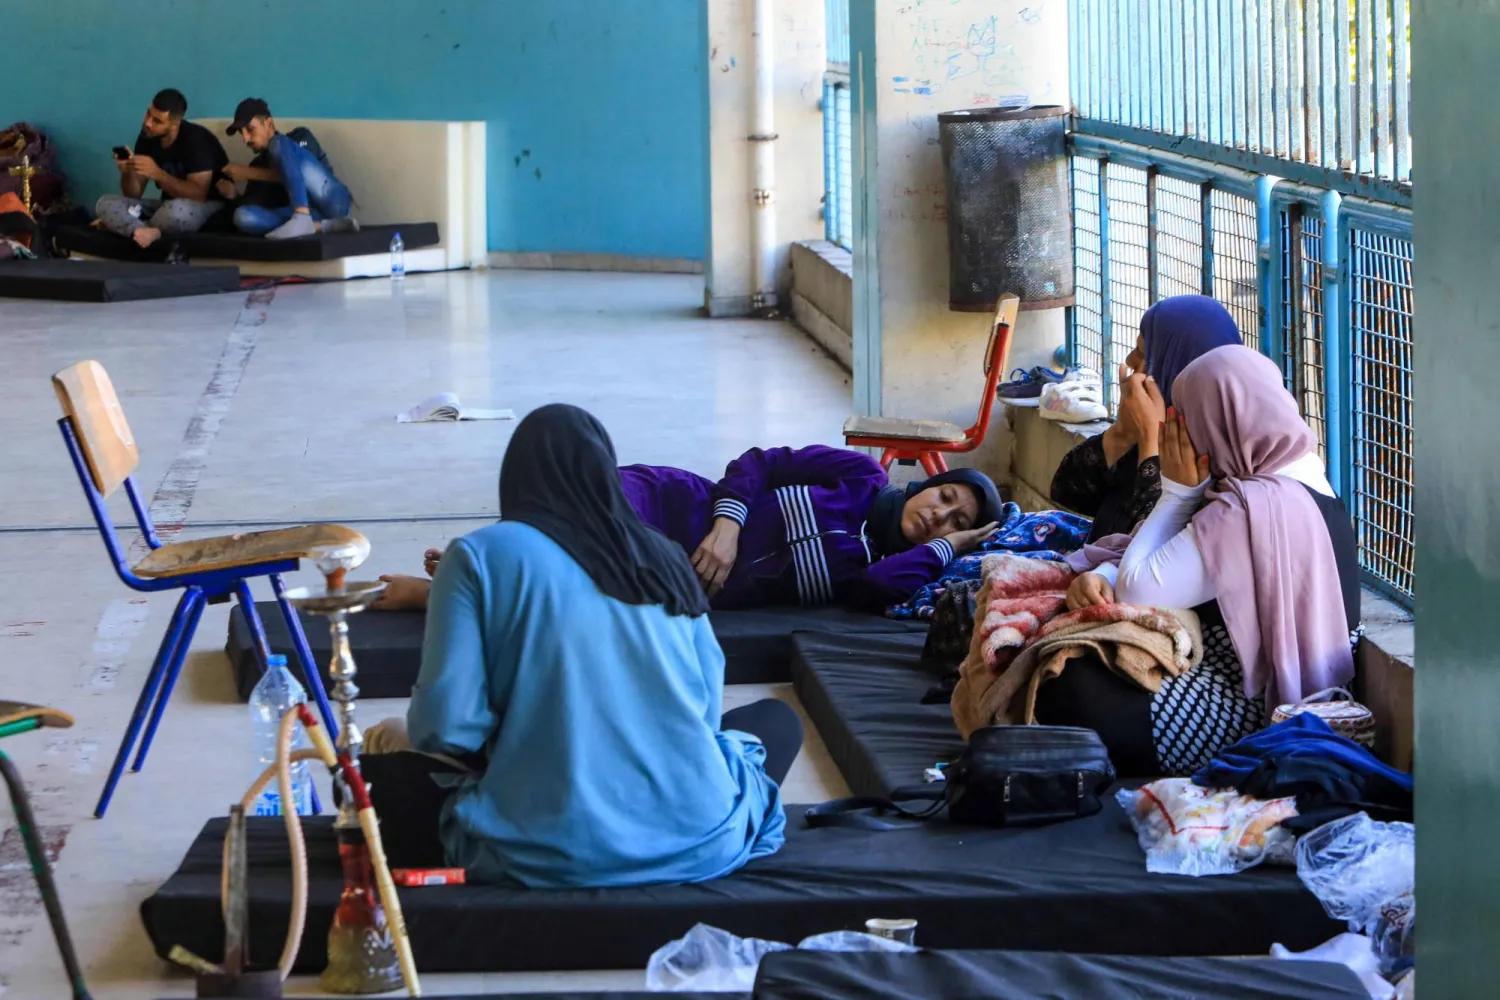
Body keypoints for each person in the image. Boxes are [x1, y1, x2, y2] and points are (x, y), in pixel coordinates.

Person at [358, 404, 795, 887]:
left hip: (543, 849)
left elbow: (444, 729)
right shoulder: (664, 555)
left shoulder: (478, 555)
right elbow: (706, 715)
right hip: (700, 839)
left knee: (377, 750)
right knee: (774, 723)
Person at [1033, 346, 1360, 776]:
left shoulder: (1250, 507)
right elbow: (1149, 559)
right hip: (1271, 685)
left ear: (1216, 422)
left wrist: (1177, 493)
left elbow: (1137, 587)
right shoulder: (1298, 473)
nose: (1177, 434)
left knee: (1064, 680)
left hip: (1252, 709)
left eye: (1185, 421)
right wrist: (1106, 568)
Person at [374, 442, 1007, 613]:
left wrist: (953, 548)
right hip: (682, 506)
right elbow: (762, 463)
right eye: (946, 497)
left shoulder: (878, 571)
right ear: (928, 482)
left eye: (954, 522)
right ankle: (490, 555)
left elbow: (873, 592)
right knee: (591, 501)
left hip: (676, 580)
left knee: (593, 579)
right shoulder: (861, 478)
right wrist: (728, 525)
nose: (938, 515)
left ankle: (452, 586)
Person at [1051, 295, 1242, 610]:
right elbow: (1066, 491)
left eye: (1143, 353)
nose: (1131, 361)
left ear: (1176, 364)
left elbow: (1144, 552)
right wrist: (1122, 434)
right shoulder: (1158, 418)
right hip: (1095, 585)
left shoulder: (1219, 458)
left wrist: (1152, 444)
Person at [94, 88, 228, 249]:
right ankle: (144, 231)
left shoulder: (196, 140)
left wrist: (158, 174)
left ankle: (133, 229)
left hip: (205, 206)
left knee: (176, 211)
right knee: (105, 203)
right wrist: (128, 171)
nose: (148, 123)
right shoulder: (147, 136)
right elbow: (133, 194)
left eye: (157, 121)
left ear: (174, 124)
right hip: (165, 207)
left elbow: (198, 195)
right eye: (148, 114)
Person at [217, 98, 357, 239]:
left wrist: (249, 173)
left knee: (277, 144)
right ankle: (321, 226)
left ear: (268, 123)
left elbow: (299, 175)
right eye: (242, 133)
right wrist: (234, 196)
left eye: (250, 129)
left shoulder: (299, 137)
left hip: (332, 203)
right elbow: (257, 205)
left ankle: (301, 216)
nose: (245, 139)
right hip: (301, 215)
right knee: (242, 216)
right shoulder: (257, 164)